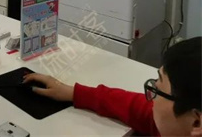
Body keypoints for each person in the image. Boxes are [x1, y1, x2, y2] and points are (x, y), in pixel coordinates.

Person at [24, 37, 201, 137]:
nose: (150, 99)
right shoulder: (179, 125)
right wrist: (73, 92)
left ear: (196, 122)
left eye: (157, 91)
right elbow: (135, 107)